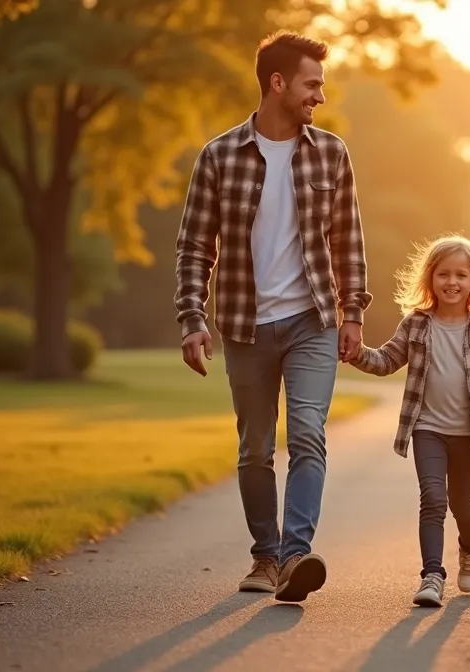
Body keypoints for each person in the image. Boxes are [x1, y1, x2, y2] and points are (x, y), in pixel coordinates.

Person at [173, 30, 371, 603]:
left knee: (308, 434)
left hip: (313, 318)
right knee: (255, 447)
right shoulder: (219, 156)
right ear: (277, 83)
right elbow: (193, 247)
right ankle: (264, 556)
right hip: (244, 323)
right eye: (312, 85)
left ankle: (294, 557)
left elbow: (347, 239)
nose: (320, 97)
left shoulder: (331, 152)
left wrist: (352, 311)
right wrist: (192, 317)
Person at [344, 236, 470, 608]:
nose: (452, 282)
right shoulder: (417, 325)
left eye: (461, 274)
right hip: (427, 428)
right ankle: (432, 575)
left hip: (467, 432)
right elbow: (386, 361)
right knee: (433, 498)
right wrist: (357, 354)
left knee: (462, 503)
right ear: (431, 278)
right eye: (443, 274)